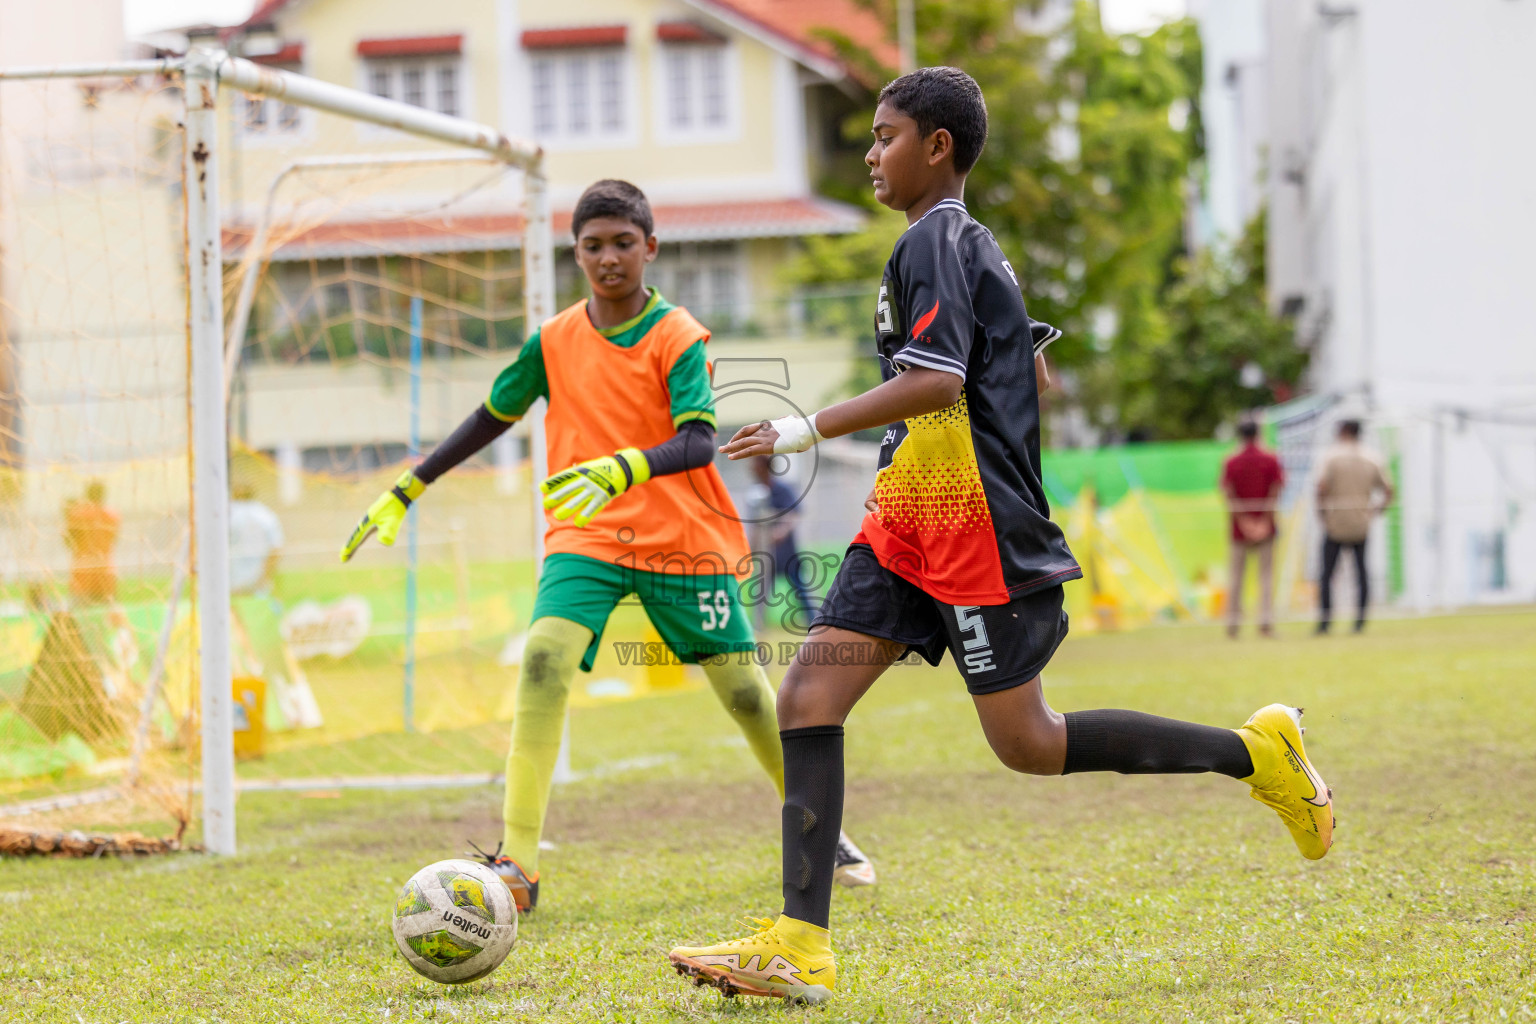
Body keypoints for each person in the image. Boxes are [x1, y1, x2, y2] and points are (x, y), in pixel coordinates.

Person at [665, 67, 1335, 1005]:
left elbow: (938, 379)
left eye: (886, 134)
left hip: (972, 520)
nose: (870, 152)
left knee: (1027, 743)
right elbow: (997, 363)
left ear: (937, 147)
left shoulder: (938, 235)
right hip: (911, 509)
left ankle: (1256, 753)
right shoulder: (952, 243)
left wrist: (800, 426)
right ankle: (799, 945)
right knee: (809, 696)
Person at [340, 180, 875, 912]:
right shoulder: (553, 339)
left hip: (682, 533)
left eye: (623, 242)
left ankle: (820, 826)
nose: (609, 257)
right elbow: (490, 415)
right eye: (593, 245)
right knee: (542, 661)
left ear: (649, 247)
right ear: (576, 254)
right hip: (585, 534)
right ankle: (517, 867)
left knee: (749, 695)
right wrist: (410, 485)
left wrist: (622, 465)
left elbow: (697, 441)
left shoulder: (677, 334)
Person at [1315, 419, 1394, 634]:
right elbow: (1389, 490)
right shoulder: (1373, 457)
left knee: (1327, 574)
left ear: (1343, 431)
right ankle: (1359, 622)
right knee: (1362, 573)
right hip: (1361, 523)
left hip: (1335, 523)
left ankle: (1325, 622)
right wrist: (1375, 511)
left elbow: (1321, 488)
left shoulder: (1331, 457)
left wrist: (1322, 514)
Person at [1220, 421, 1285, 637]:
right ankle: (1265, 624)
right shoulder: (1271, 458)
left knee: (1236, 577)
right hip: (1265, 526)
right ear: (1258, 433)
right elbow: (1276, 490)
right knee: (1265, 577)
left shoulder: (1231, 461)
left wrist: (1243, 522)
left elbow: (1228, 493)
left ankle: (1233, 625)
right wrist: (1264, 520)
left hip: (1239, 529)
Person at [749, 455, 816, 631]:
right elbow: (755, 526)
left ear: (763, 466)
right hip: (766, 556)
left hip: (786, 554)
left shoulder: (782, 489)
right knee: (761, 592)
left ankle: (813, 623)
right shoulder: (756, 494)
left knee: (801, 589)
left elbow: (793, 514)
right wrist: (751, 549)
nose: (751, 468)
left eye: (754, 463)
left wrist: (781, 531)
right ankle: (758, 626)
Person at [63, 479, 120, 605]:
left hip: (83, 573)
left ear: (87, 494)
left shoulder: (77, 514)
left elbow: (68, 541)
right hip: (106, 572)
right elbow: (114, 539)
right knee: (106, 618)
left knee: (81, 617)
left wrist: (65, 514)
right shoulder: (113, 515)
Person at [229, 480, 284, 596]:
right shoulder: (266, 515)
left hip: (231, 583)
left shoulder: (226, 515)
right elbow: (276, 549)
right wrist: (265, 576)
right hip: (257, 583)